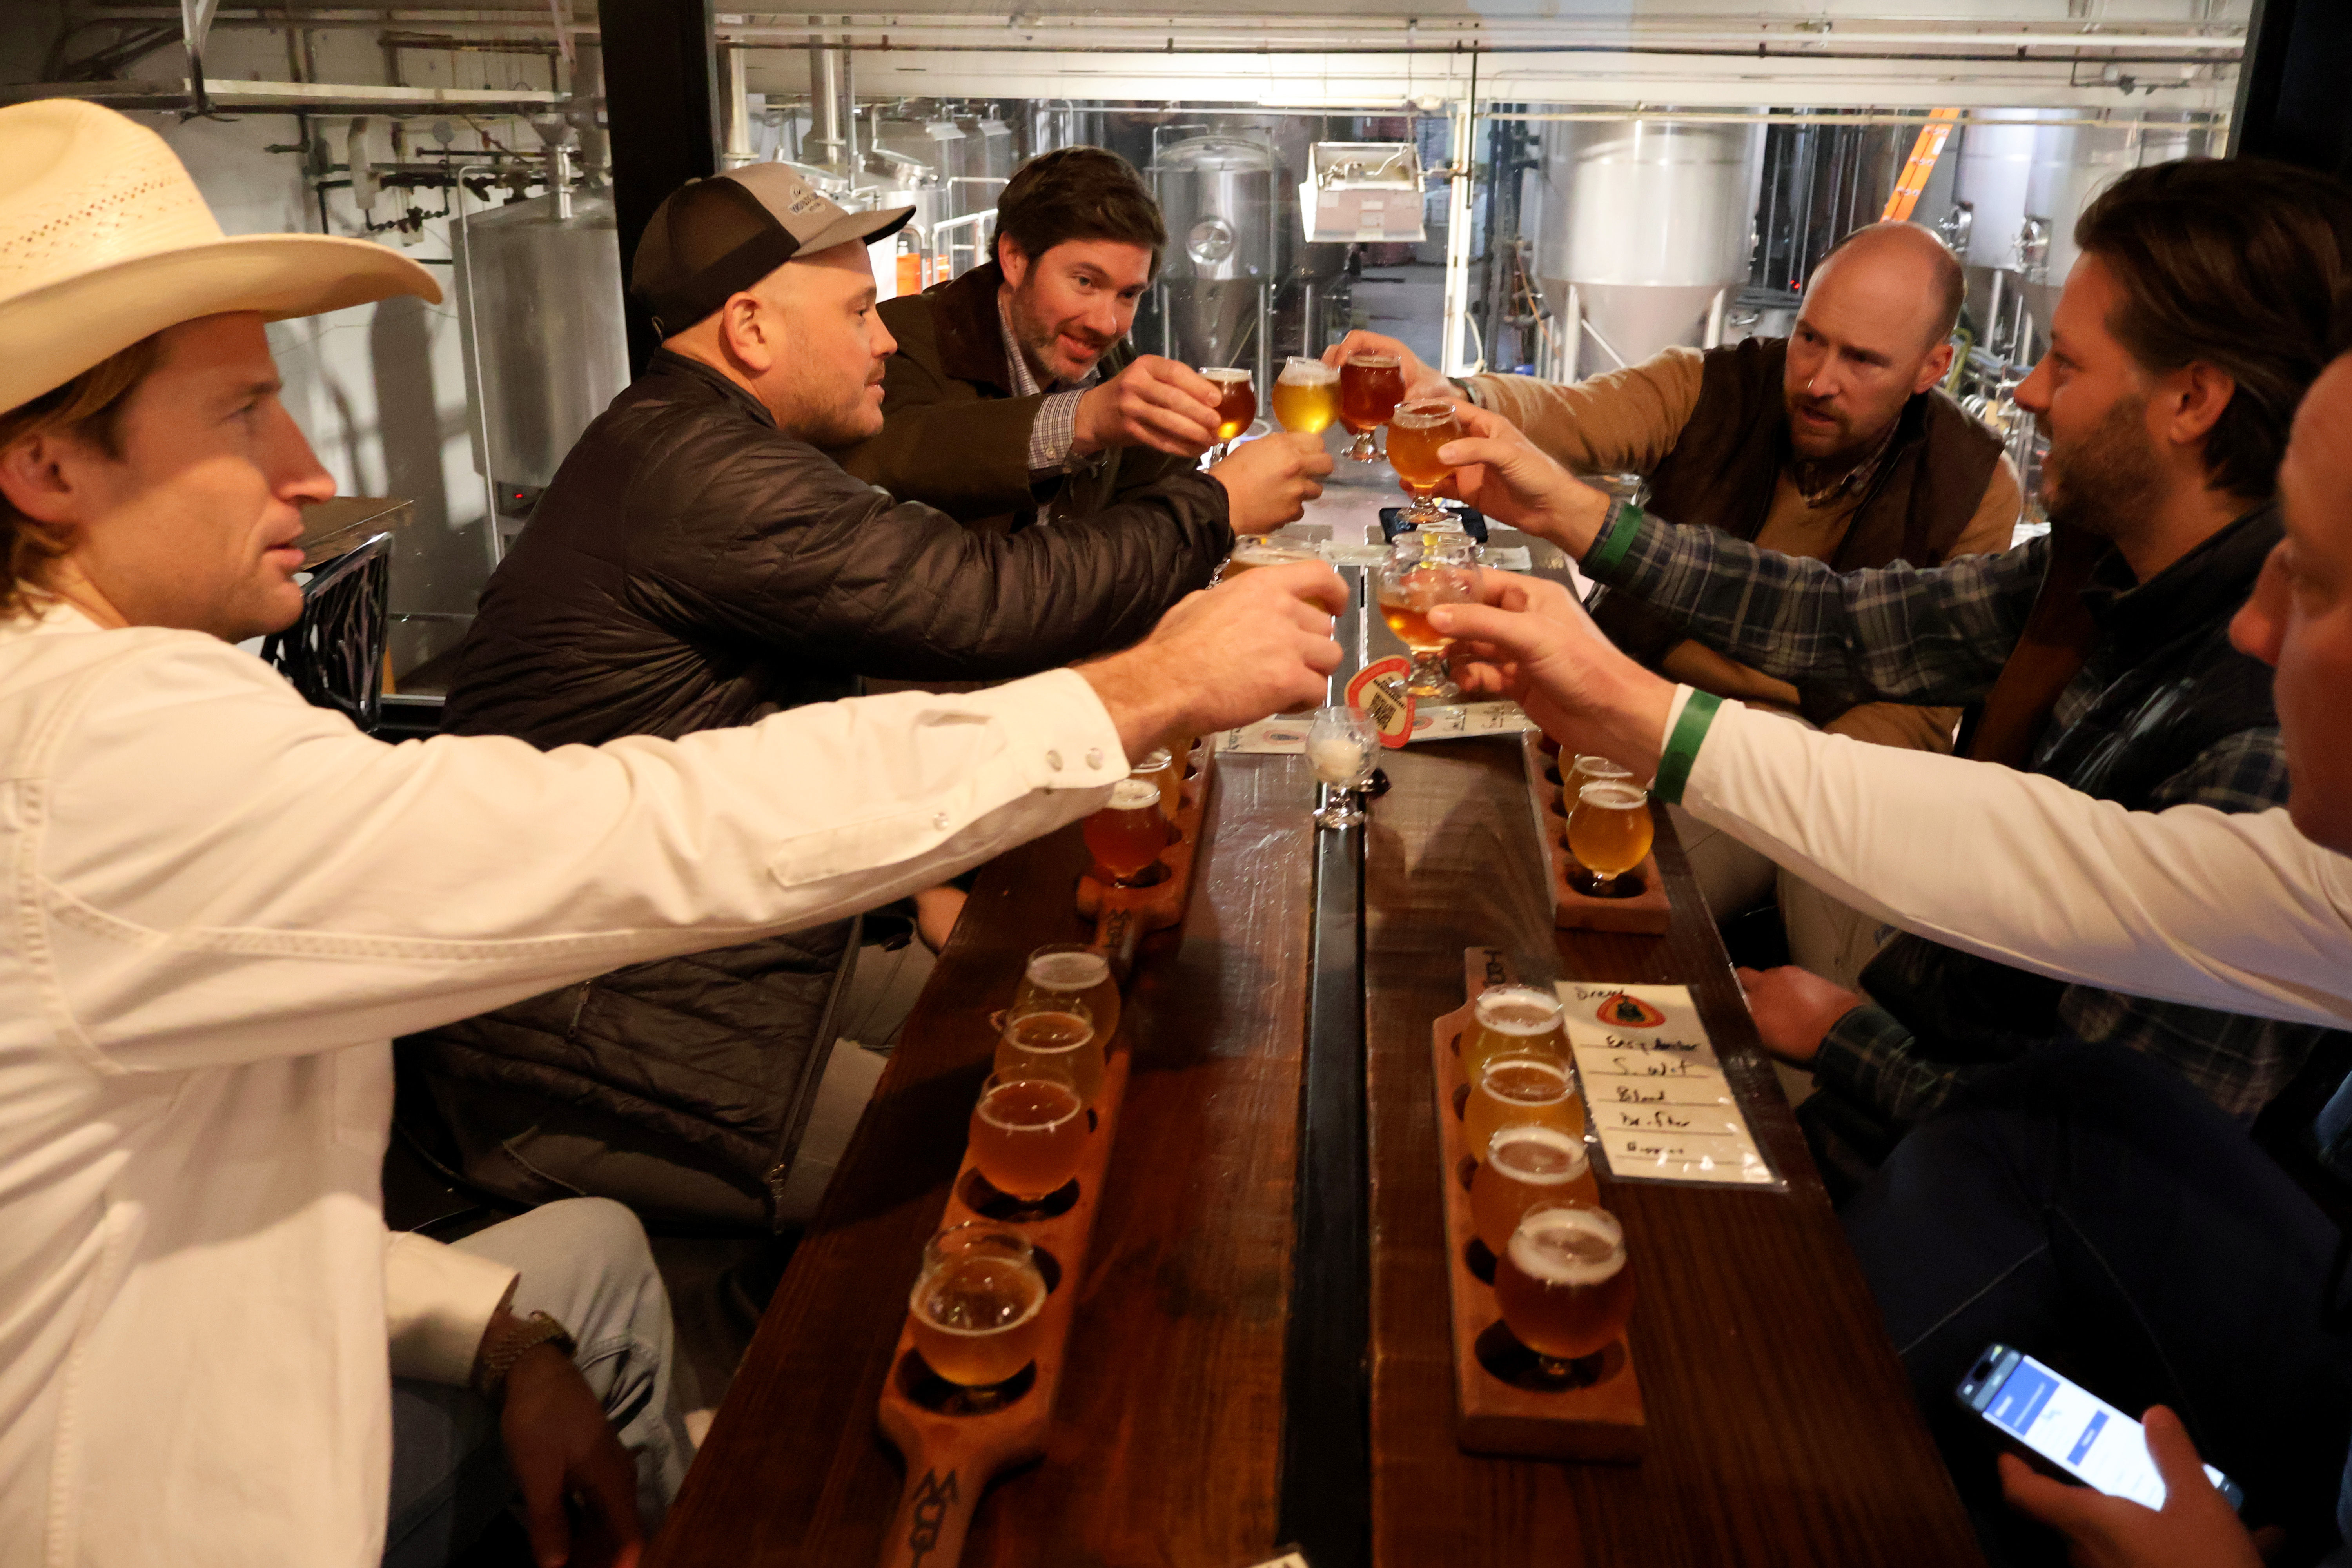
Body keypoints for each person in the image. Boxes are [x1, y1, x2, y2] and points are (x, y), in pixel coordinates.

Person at [0, 100, 1343, 1568]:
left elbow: (196, 1206)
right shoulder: (96, 750)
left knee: (1037, 1064)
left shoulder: (114, 706)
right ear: (50, 468)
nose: (313, 467)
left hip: (612, 1031)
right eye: (242, 410)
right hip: (572, 1050)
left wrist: (500, 1335)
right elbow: (634, 826)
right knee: (1017, 1174)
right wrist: (1148, 681)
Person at [1418, 339, 2352, 1568]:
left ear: (2191, 399)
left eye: (2319, 581)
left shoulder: (2243, 734)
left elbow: (2067, 884)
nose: (2256, 617)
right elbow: (2012, 811)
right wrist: (1594, 563)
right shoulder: (2095, 582)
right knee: (2060, 1108)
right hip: (2050, 1119)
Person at [397, 160, 1324, 1235]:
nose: (886, 339)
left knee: (1055, 1016)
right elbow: (984, 600)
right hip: (575, 1038)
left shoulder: (698, 440)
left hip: (705, 955)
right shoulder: (703, 472)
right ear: (750, 330)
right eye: (857, 311)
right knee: (1018, 1175)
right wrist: (1214, 508)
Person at [1428, 157, 2352, 1194]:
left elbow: (2094, 1173)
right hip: (1916, 1057)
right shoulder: (2089, 568)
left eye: (2065, 362)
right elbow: (1842, 621)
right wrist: (1576, 515)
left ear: (2192, 400)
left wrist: (1846, 1040)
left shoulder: (2270, 739)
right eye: (1810, 340)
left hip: (1953, 1188)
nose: (2033, 392)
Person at [1328, 221, 2019, 957]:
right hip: (1624, 703)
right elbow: (1576, 415)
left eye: (1863, 360)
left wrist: (1770, 778)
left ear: (1933, 366)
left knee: (1571, 909)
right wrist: (1457, 394)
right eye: (1811, 339)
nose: (1819, 380)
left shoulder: (1970, 485)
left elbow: (1909, 721)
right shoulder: (1717, 387)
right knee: (1427, 845)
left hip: (1792, 761)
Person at [836, 145, 1330, 535]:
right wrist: (1087, 419)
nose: (1108, 322)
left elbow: (1155, 504)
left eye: (1129, 294)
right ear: (1014, 259)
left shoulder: (1108, 359)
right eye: (1086, 282)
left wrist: (1214, 473)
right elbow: (900, 457)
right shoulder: (900, 339)